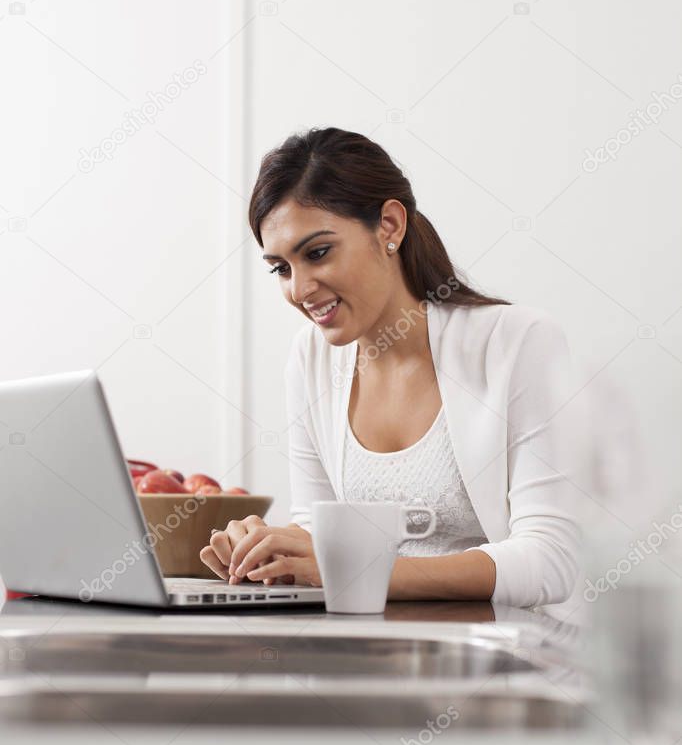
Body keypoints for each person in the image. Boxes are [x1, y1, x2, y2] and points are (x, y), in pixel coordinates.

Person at [200, 128, 581, 607]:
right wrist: (272, 554)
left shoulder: (518, 343)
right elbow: (318, 533)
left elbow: (550, 560)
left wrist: (354, 571)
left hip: (500, 663)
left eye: (317, 253)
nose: (299, 290)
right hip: (368, 656)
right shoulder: (312, 359)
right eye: (281, 268)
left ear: (390, 227)